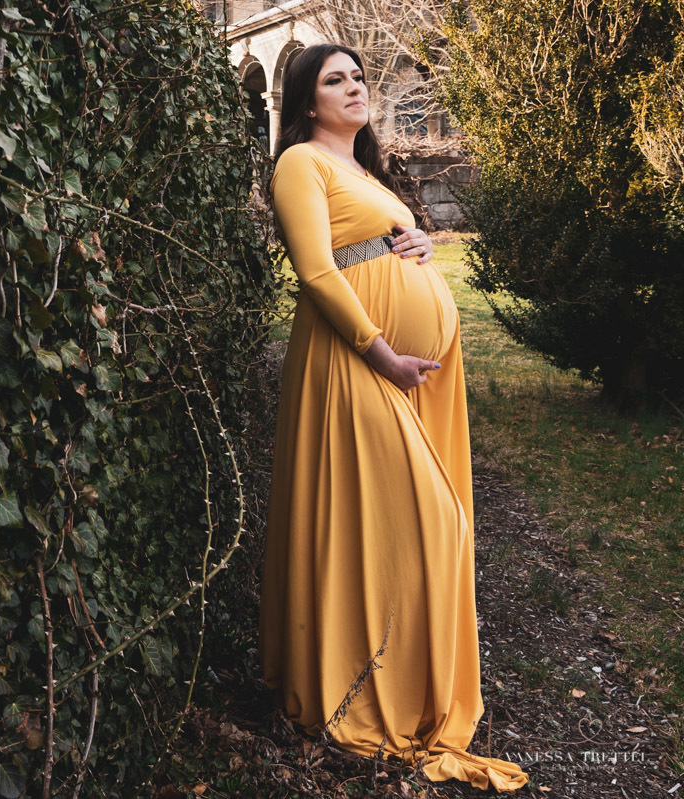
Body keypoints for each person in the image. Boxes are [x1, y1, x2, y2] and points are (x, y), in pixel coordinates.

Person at [257, 44, 530, 791]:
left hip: (397, 370)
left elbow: (381, 248)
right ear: (308, 102)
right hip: (352, 363)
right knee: (426, 523)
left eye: (357, 76)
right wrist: (383, 354)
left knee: (393, 523)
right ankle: (360, 691)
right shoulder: (299, 164)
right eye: (334, 80)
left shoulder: (364, 171)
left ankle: (399, 682)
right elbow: (315, 270)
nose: (354, 86)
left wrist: (419, 244)